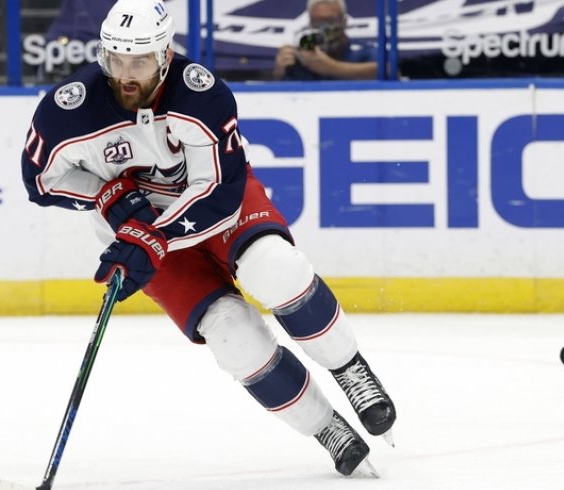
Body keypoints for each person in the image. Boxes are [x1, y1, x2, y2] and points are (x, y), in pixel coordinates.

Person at [21, 0, 396, 477]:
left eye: (139, 61)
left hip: (217, 212)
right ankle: (326, 427)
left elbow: (217, 192)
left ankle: (350, 369)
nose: (127, 74)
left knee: (275, 270)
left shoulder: (200, 94)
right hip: (139, 237)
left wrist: (151, 233)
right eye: (117, 60)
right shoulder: (68, 110)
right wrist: (111, 195)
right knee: (231, 336)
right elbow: (40, 181)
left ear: (164, 55)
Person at [273, 0, 378, 81]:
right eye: (318, 21)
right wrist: (279, 72)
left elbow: (387, 69)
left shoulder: (363, 51)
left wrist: (330, 67)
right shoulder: (301, 55)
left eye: (331, 20)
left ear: (344, 21)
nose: (324, 27)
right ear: (310, 23)